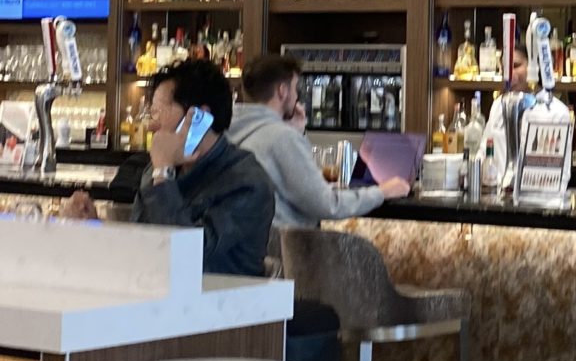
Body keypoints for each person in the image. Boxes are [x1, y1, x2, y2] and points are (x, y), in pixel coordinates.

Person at [59, 57, 274, 277]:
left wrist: (163, 173)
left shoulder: (247, 182)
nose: (151, 125)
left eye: (159, 114)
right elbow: (143, 248)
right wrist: (96, 228)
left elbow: (183, 255)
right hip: (154, 301)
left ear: (200, 118)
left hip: (223, 305)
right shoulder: (159, 169)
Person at [229, 55, 409, 231]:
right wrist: (382, 192)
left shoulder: (229, 129)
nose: (297, 96)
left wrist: (298, 133)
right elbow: (327, 204)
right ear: (282, 91)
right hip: (285, 252)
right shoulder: (280, 137)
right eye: (294, 88)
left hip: (247, 252)